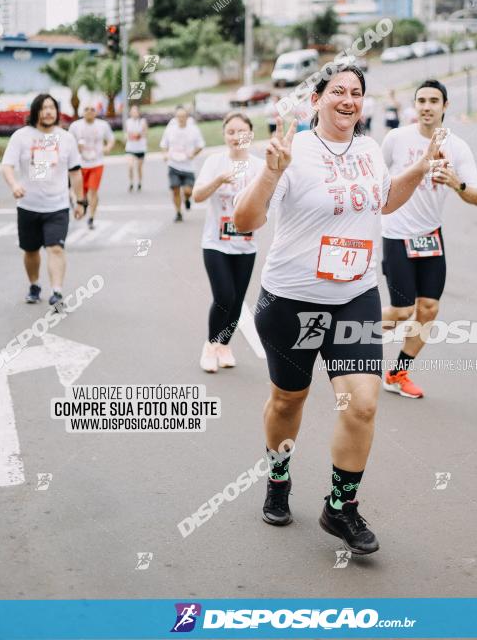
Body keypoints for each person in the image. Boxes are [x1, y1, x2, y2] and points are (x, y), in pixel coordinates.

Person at [234, 64, 442, 555]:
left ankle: (340, 508)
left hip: (354, 297)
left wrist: (419, 168)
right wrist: (271, 171)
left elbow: (384, 202)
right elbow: (246, 220)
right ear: (317, 100)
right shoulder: (293, 151)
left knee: (363, 404)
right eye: (338, 92)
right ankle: (278, 477)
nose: (348, 100)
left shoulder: (369, 150)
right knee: (290, 401)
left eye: (356, 93)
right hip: (291, 300)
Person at [380, 79, 477, 399]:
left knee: (428, 310)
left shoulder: (458, 147)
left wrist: (456, 183)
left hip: (430, 237)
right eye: (421, 100)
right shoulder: (396, 139)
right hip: (396, 233)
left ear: (445, 106)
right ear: (415, 105)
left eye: (433, 101)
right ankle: (342, 340)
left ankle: (397, 374)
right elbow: (377, 181)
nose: (426, 106)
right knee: (401, 311)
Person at [192, 112, 263, 372]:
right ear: (224, 135)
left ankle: (224, 345)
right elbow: (198, 196)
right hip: (215, 243)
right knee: (224, 296)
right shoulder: (214, 162)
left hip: (246, 244)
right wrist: (218, 180)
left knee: (237, 300)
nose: (236, 137)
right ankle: (211, 346)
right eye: (231, 132)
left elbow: (266, 202)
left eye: (241, 131)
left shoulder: (257, 166)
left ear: (250, 134)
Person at [1, 94, 88, 305]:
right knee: (31, 251)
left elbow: (75, 172)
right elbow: (7, 165)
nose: (48, 111)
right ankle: (34, 284)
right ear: (35, 112)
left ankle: (57, 292)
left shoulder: (66, 138)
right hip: (28, 206)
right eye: (43, 108)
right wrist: (14, 185)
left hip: (57, 206)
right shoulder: (21, 137)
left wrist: (81, 201)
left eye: (52, 107)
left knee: (56, 249)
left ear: (57, 112)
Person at [68, 104, 115, 229]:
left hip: (96, 163)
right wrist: (76, 148)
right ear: (82, 112)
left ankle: (91, 218)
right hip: (80, 164)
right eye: (86, 109)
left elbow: (111, 139)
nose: (89, 112)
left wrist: (108, 148)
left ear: (96, 112)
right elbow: (68, 143)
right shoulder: (75, 126)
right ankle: (81, 205)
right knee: (80, 193)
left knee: (93, 191)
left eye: (92, 109)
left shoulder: (102, 125)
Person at [160, 105, 205, 222]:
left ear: (187, 117)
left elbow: (201, 145)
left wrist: (193, 154)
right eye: (178, 116)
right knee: (175, 189)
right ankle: (178, 212)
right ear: (175, 117)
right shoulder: (170, 129)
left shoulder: (193, 130)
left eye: (183, 116)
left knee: (188, 191)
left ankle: (187, 199)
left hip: (188, 166)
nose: (181, 118)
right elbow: (164, 144)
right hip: (173, 164)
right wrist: (165, 154)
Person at [125, 104, 148, 191]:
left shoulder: (142, 121)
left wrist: (139, 135)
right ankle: (131, 182)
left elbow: (145, 133)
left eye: (135, 111)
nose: (134, 113)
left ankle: (139, 182)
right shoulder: (128, 122)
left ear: (138, 113)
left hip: (140, 148)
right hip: (130, 148)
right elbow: (127, 134)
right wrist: (129, 136)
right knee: (130, 166)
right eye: (132, 112)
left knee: (139, 167)